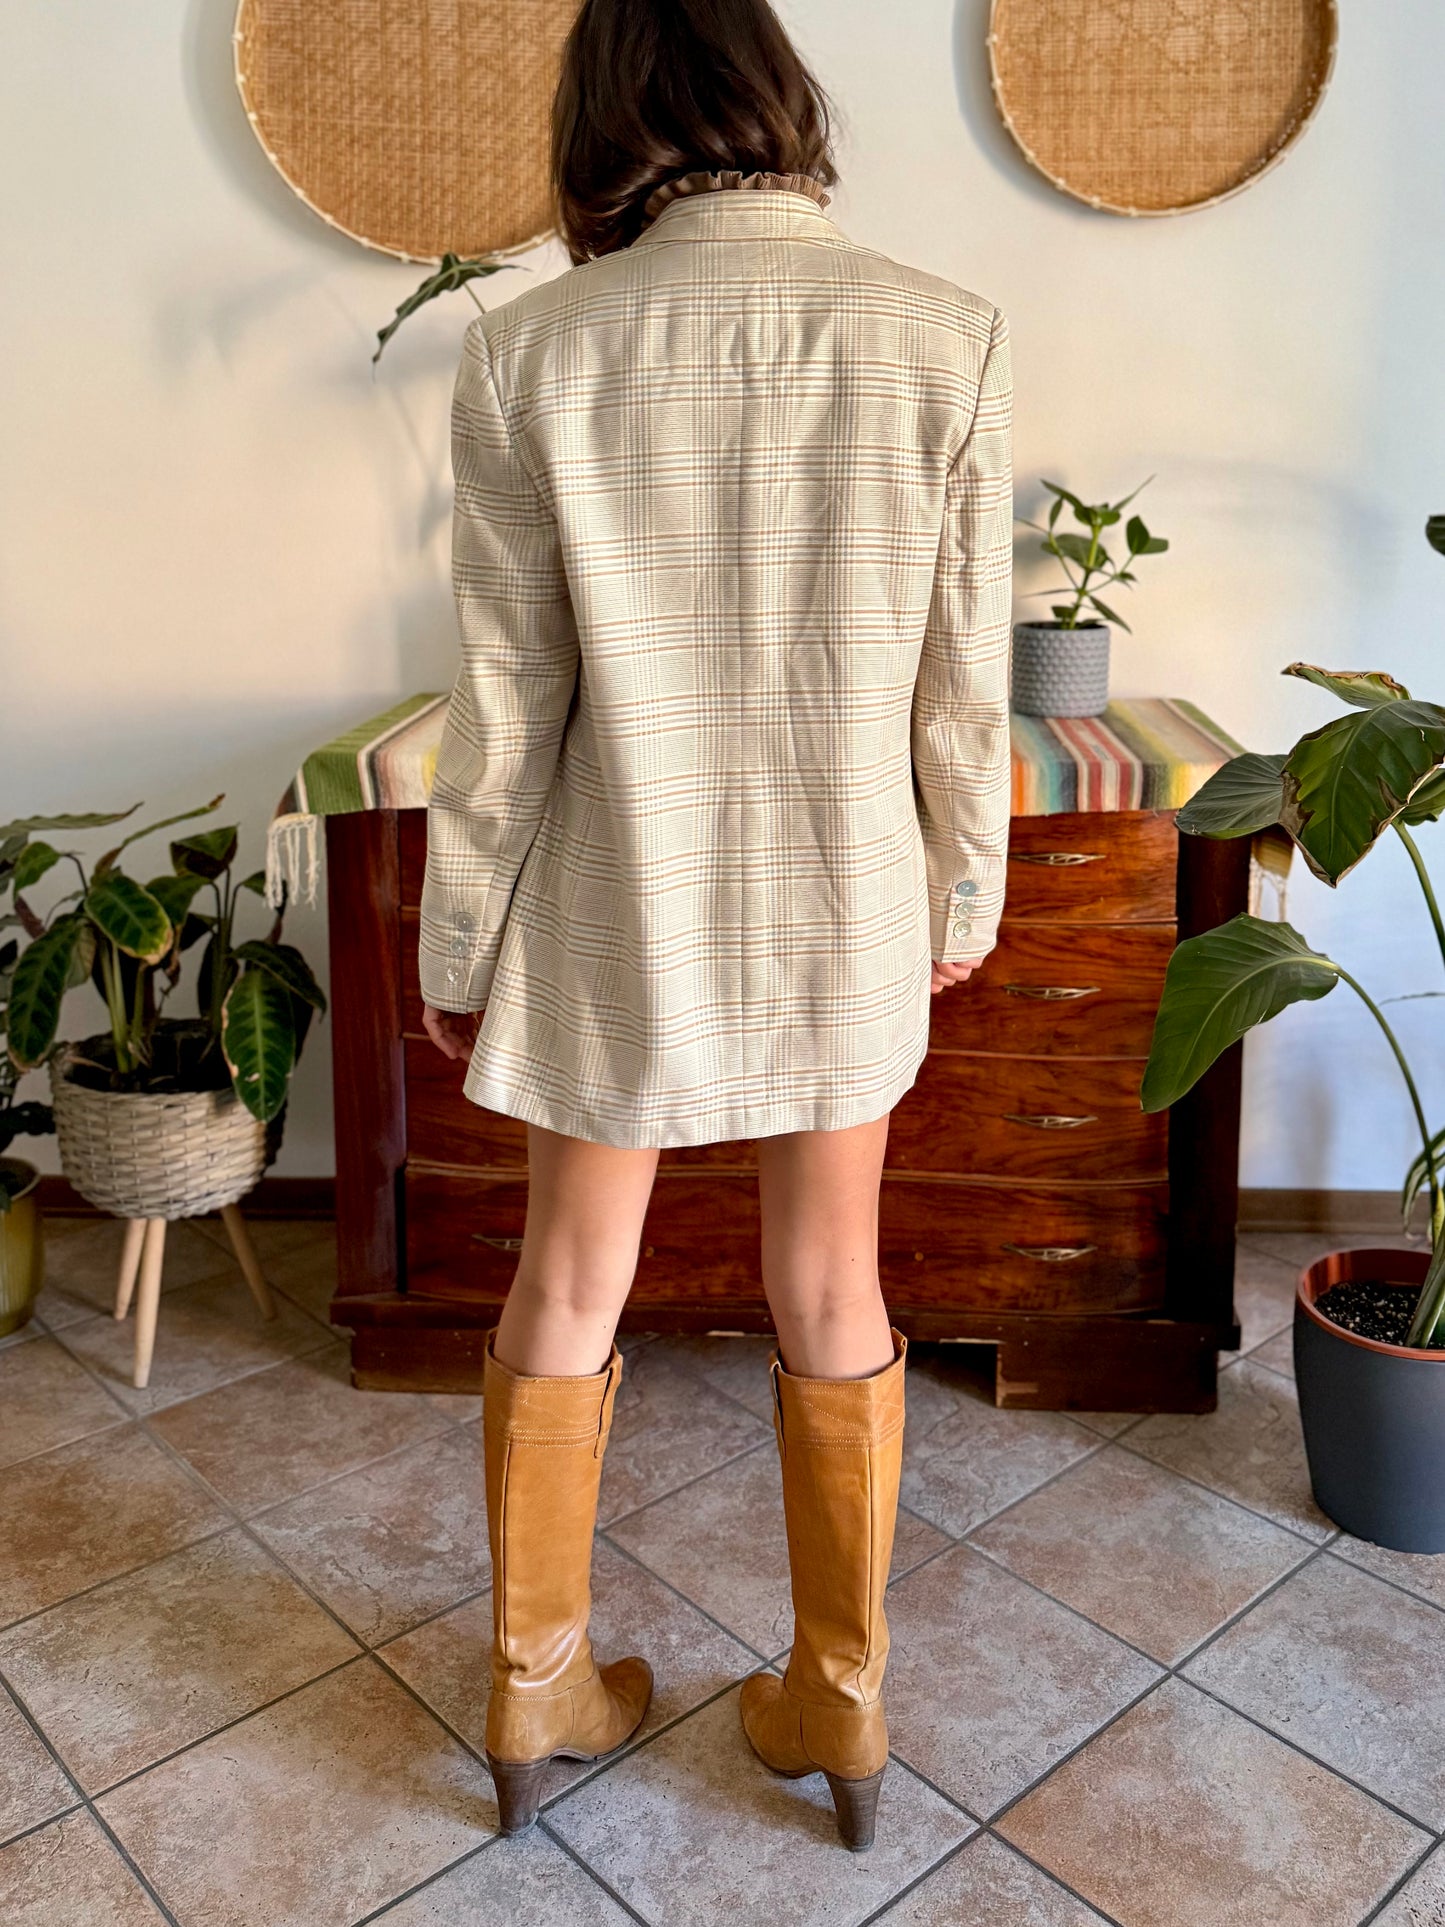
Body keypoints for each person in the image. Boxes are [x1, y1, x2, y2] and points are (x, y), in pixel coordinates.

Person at [418, 0, 1012, 1852]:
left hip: (616, 894)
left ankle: (534, 1686)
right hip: (840, 895)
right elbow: (958, 691)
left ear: (603, 125)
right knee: (833, 1290)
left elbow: (504, 714)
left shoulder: (529, 351)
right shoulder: (943, 336)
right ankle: (836, 1702)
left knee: (566, 1283)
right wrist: (963, 895)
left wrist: (459, 950)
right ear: (780, 93)